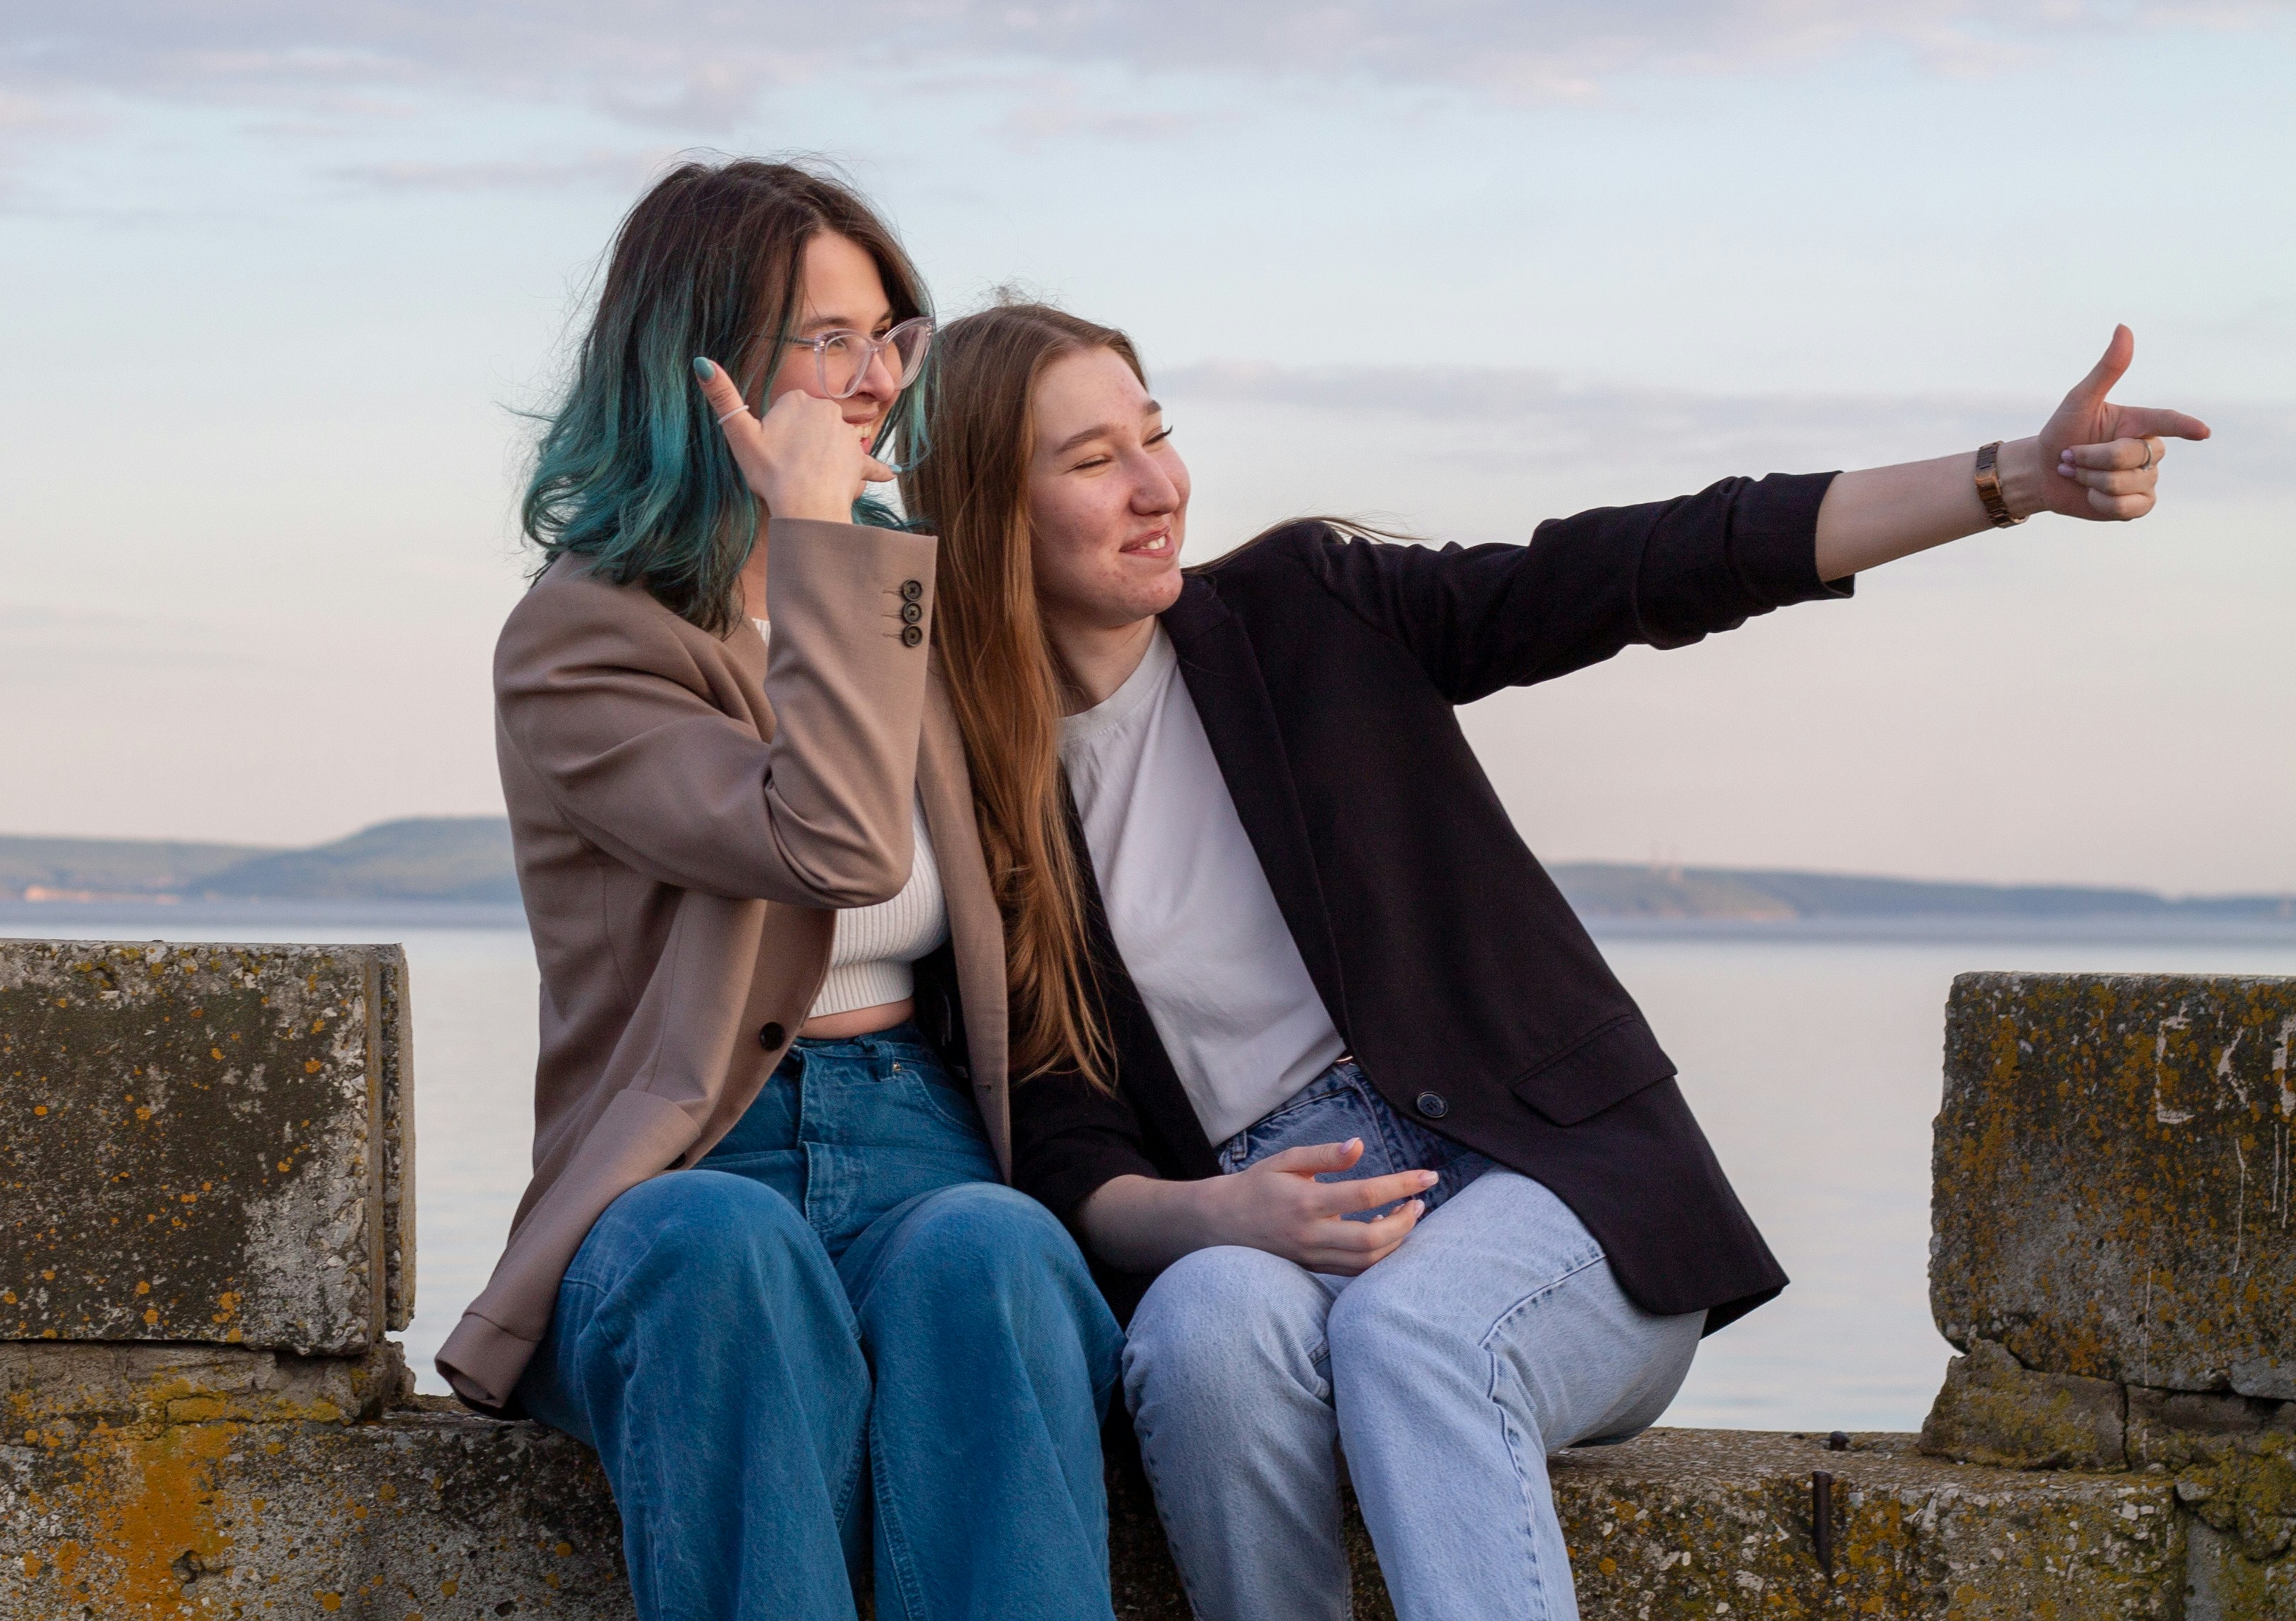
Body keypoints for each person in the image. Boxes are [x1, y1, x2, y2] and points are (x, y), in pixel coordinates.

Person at [902, 299, 2209, 1621]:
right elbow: (1067, 1143)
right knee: (1195, 1335)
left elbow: (1634, 566)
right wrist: (1210, 1215)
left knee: (1413, 1336)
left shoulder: (1306, 608)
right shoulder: (972, 806)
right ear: (986, 511)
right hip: (1268, 1214)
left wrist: (2006, 481)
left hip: (1548, 1185)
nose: (1156, 485)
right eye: (1090, 461)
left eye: (1158, 435)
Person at [439, 163, 1123, 1621]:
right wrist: (822, 548)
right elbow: (834, 843)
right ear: (698, 364)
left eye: (887, 335)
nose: (870, 378)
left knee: (996, 1250)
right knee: (721, 1250)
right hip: (695, 1163)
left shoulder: (891, 588)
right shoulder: (581, 641)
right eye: (825, 338)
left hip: (916, 1129)